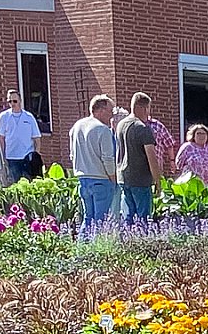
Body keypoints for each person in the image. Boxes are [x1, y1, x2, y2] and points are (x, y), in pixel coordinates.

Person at [69, 94, 118, 234]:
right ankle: (96, 247)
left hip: (83, 179)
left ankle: (82, 246)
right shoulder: (103, 130)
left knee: (88, 218)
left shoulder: (77, 126)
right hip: (101, 180)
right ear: (100, 110)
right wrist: (113, 178)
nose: (112, 116)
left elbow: (72, 155)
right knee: (100, 221)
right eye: (110, 111)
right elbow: (108, 159)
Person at [115, 92, 163, 224]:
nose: (148, 113)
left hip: (123, 177)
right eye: (148, 108)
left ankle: (128, 237)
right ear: (143, 108)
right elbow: (151, 156)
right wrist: (158, 181)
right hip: (140, 179)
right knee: (143, 218)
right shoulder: (142, 128)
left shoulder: (120, 125)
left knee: (128, 216)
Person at [175, 123, 208, 226]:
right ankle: (195, 227)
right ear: (193, 135)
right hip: (195, 182)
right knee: (196, 206)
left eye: (203, 134)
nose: (201, 136)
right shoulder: (187, 147)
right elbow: (178, 163)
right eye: (198, 133)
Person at [0, 89, 43, 182]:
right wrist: (2, 156)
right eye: (9, 101)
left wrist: (36, 155)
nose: (12, 104)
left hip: (27, 157)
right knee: (15, 184)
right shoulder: (3, 117)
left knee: (29, 183)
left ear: (20, 101)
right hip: (11, 157)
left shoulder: (29, 117)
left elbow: (37, 138)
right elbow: (1, 138)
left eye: (15, 101)